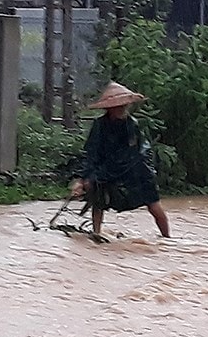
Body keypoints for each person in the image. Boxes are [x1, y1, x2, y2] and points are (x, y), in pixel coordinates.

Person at [70, 82, 171, 238]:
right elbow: (91, 152)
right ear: (109, 109)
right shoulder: (100, 125)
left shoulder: (131, 125)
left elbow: (128, 154)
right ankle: (96, 233)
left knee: (153, 204)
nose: (122, 109)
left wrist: (97, 175)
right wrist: (83, 178)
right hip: (107, 167)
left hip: (137, 169)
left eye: (124, 106)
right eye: (118, 107)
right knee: (97, 197)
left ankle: (167, 238)